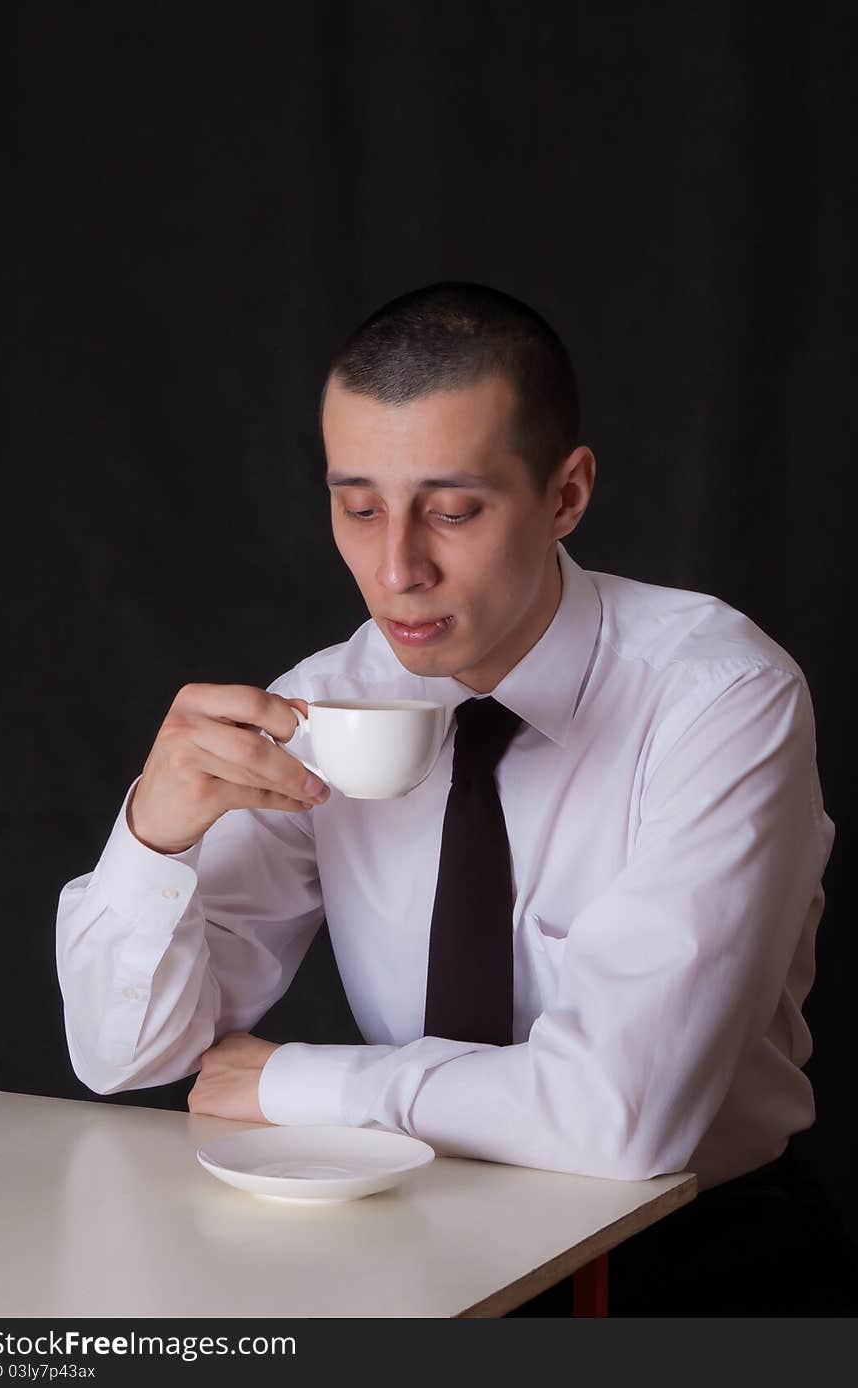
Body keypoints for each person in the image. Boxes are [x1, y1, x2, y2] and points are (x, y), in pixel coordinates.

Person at [55, 281, 854, 1314]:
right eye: (359, 507)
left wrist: (302, 1080)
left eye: (453, 510)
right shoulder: (330, 701)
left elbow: (625, 1117)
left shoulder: (718, 697)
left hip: (697, 1263)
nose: (396, 569)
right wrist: (152, 838)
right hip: (418, 1250)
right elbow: (126, 1056)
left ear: (564, 495)